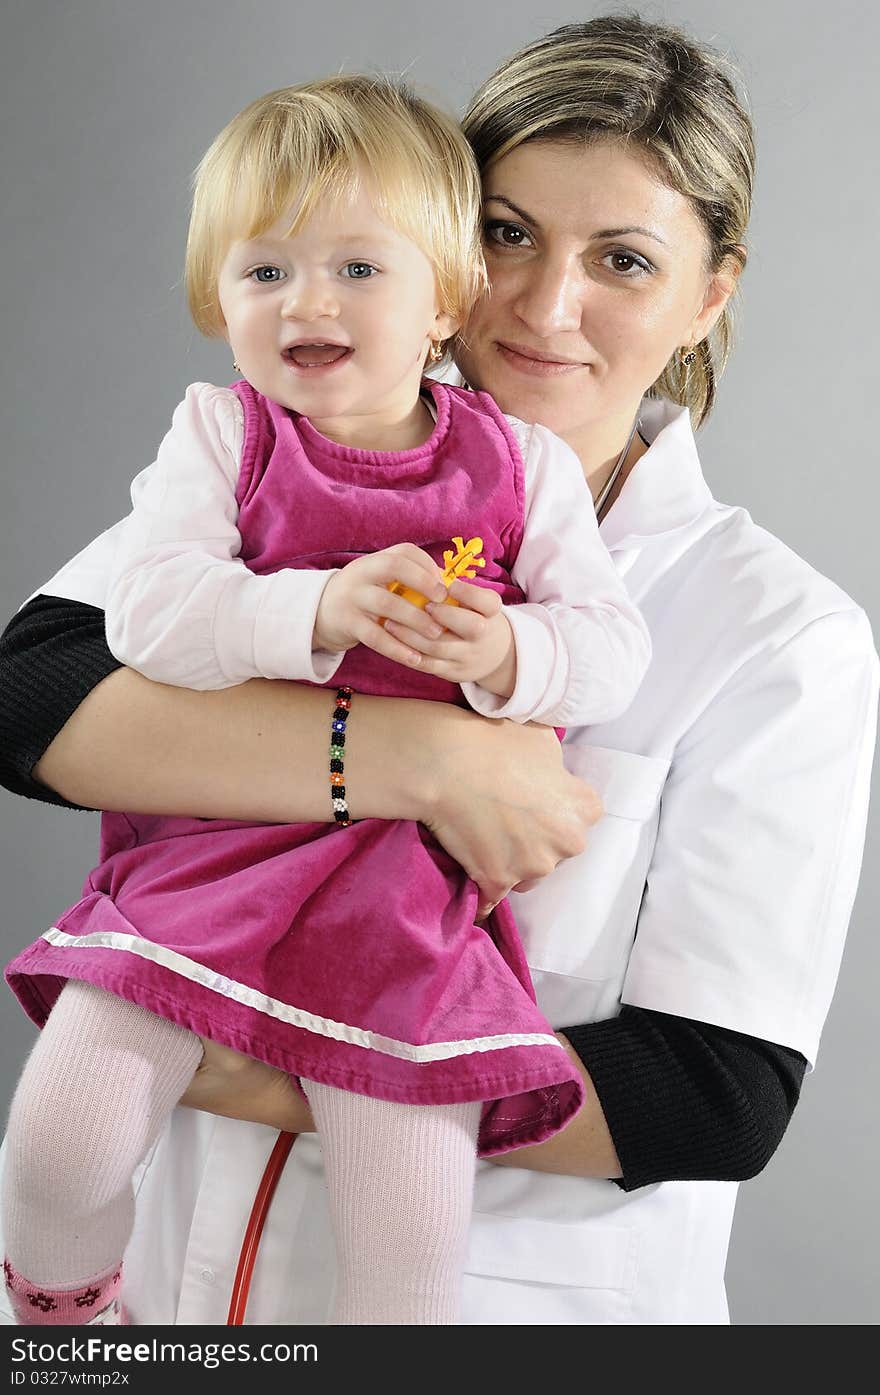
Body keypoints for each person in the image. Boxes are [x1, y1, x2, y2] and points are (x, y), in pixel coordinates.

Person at [0, 14, 876, 1326]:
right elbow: (35, 691)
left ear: (709, 294)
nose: (544, 306)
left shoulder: (776, 632)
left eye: (624, 260)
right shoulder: (281, 450)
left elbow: (713, 1091)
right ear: (443, 244)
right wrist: (421, 759)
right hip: (176, 1302)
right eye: (510, 233)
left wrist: (231, 1054)